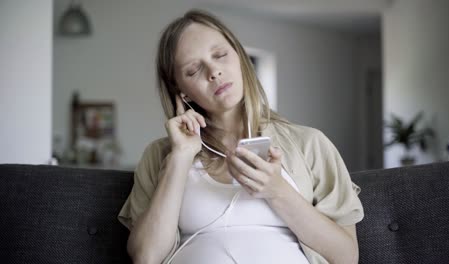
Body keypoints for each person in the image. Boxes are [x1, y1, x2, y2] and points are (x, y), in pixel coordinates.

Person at [118, 9, 364, 264]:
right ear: (182, 93)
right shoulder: (159, 156)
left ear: (240, 58)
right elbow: (146, 257)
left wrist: (278, 191)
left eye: (221, 55)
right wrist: (180, 157)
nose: (214, 72)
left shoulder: (310, 143)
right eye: (193, 70)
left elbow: (346, 256)